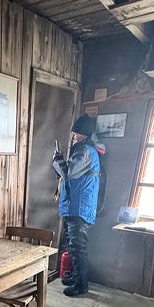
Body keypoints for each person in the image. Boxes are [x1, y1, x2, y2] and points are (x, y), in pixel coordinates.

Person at [53, 114, 102, 297]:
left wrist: (57, 161)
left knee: (78, 248)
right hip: (77, 205)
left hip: (79, 207)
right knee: (74, 246)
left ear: (83, 134)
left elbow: (69, 172)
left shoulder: (85, 151)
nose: (73, 135)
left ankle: (81, 285)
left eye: (75, 133)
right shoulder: (84, 149)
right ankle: (76, 278)